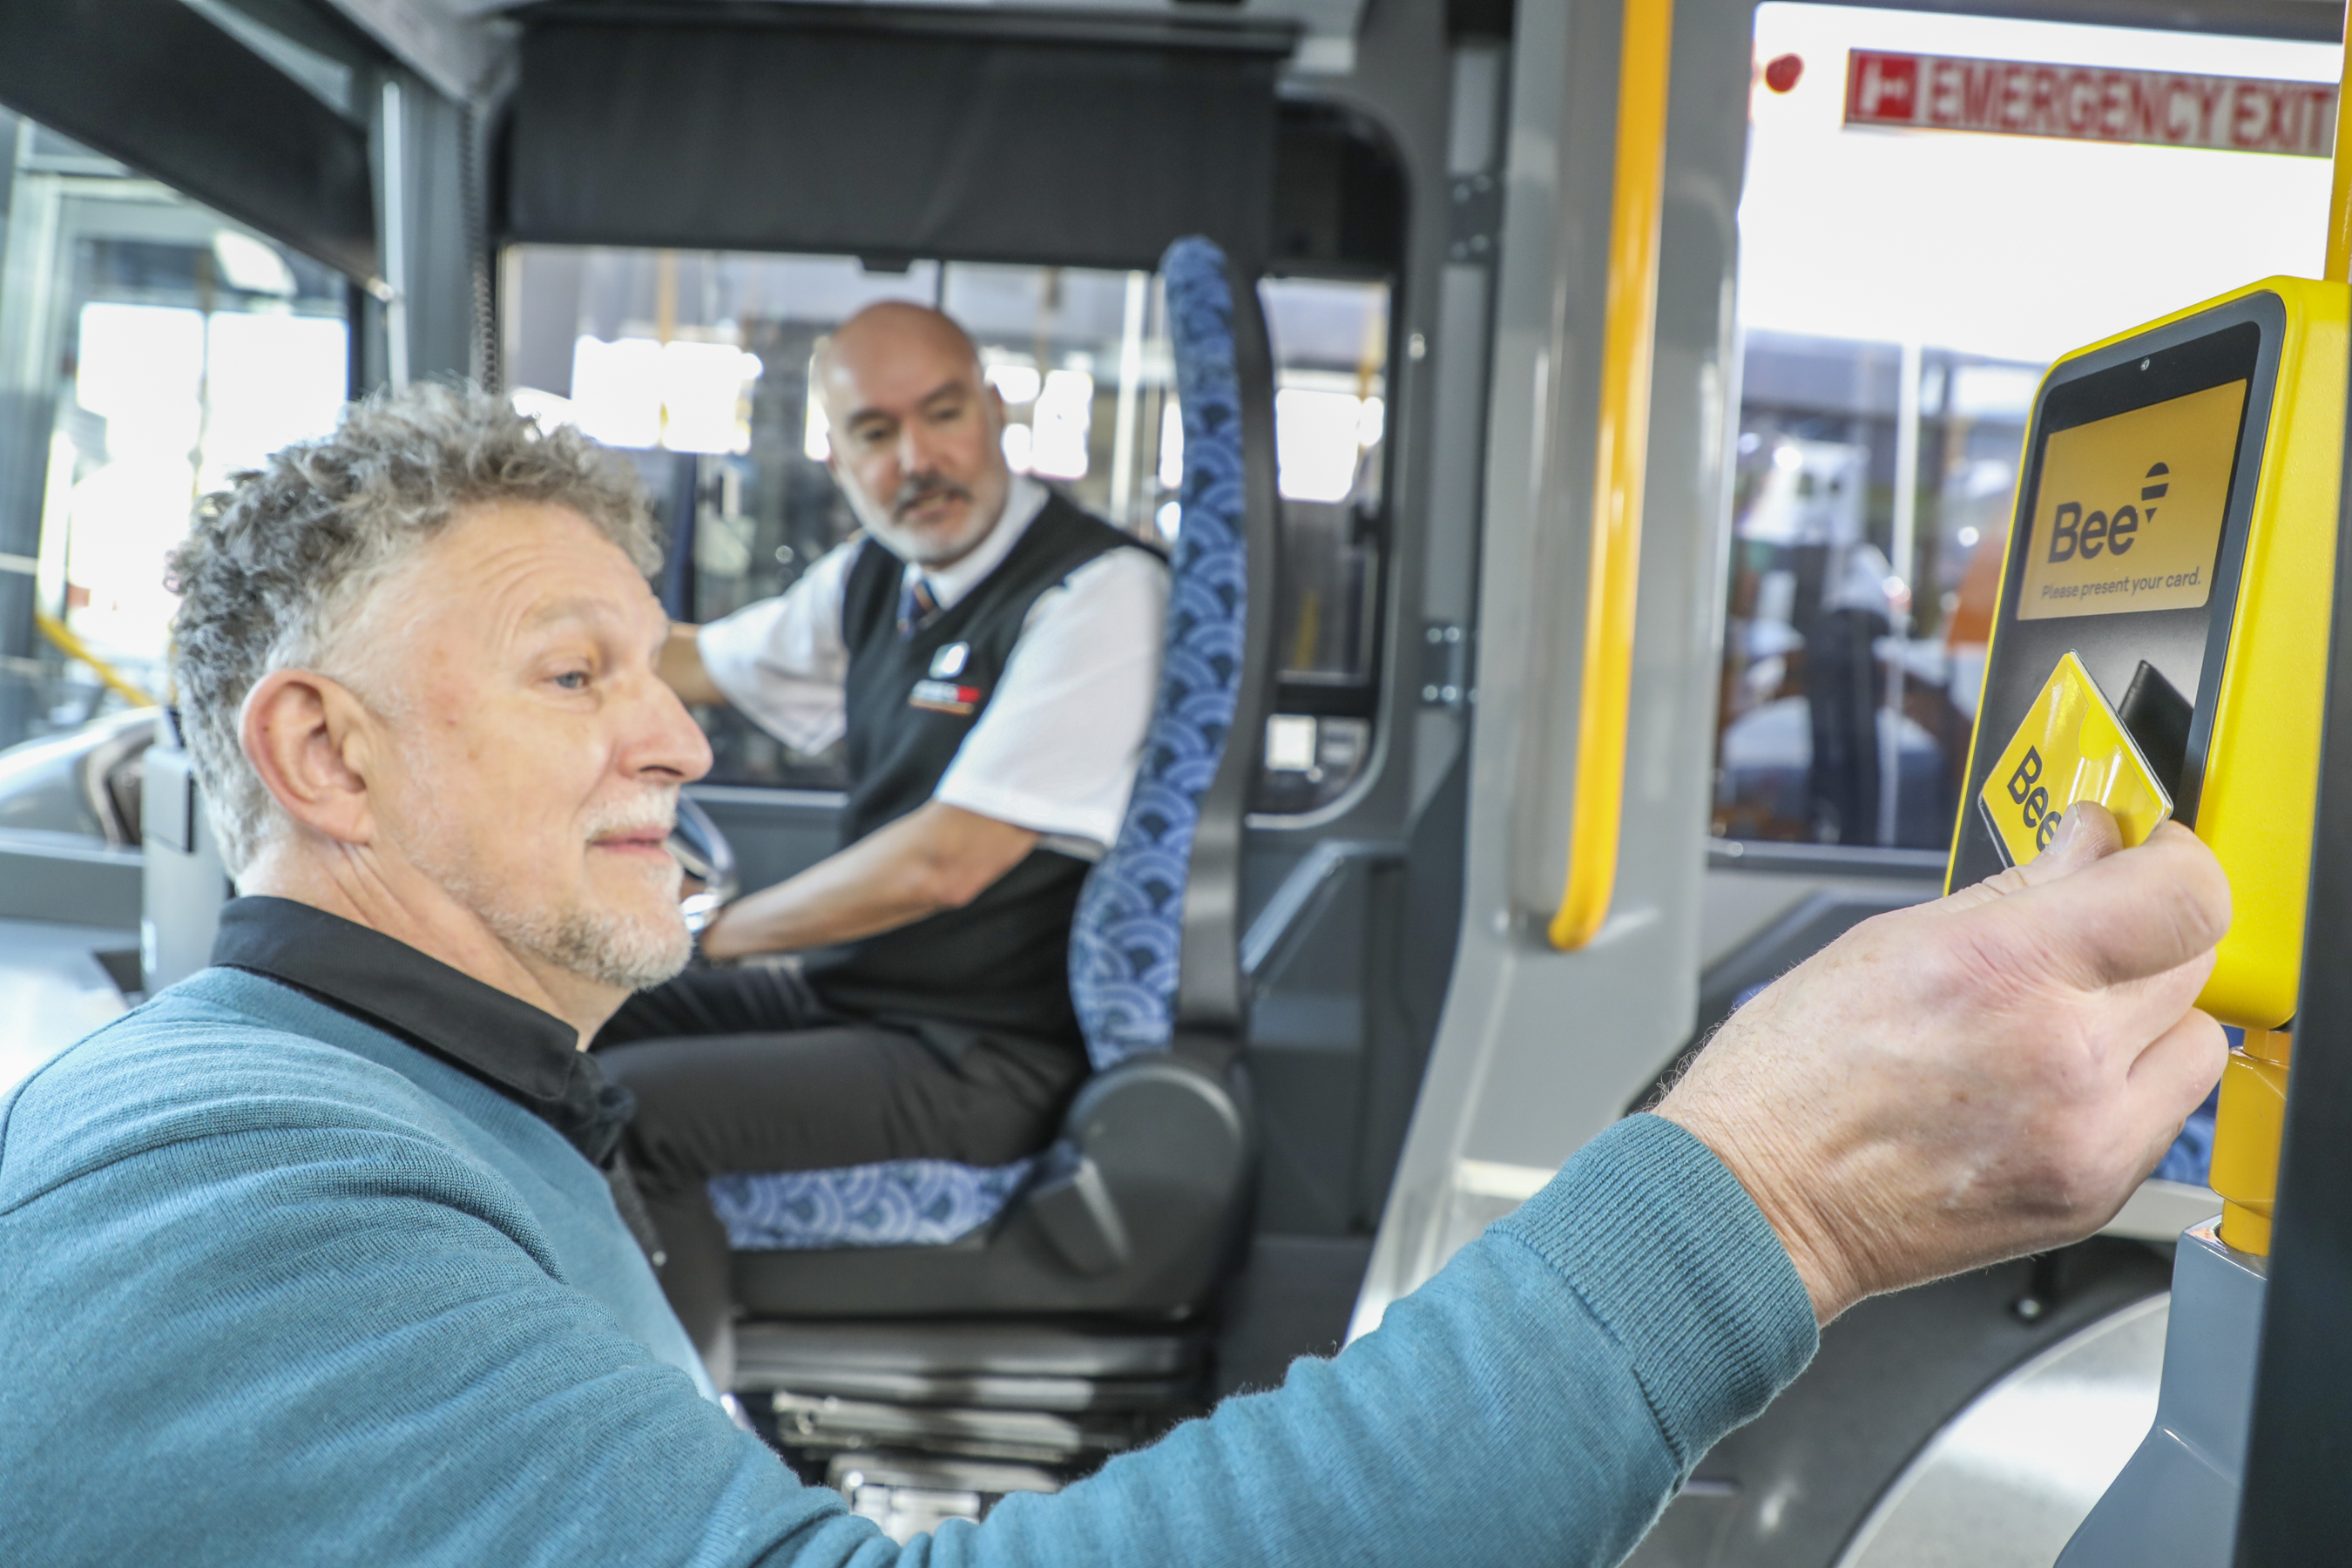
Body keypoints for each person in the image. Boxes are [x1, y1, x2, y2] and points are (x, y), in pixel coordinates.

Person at [0, 385, 2229, 1566]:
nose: (675, 733)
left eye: (655, 668)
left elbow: (954, 860)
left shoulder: (419, 1099)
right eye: (577, 672)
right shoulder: (241, 1199)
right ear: (318, 752)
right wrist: (1771, 1201)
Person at [599, 301, 1169, 1374]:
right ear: (837, 454)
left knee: (636, 1113)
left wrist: (713, 931)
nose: (918, 459)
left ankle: (688, 1448)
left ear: (996, 412)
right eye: (875, 432)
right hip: (856, 1000)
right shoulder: (880, 577)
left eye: (943, 414)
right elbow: (700, 664)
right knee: (576, 1020)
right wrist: (530, 639)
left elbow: (948, 862)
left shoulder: (1097, 592)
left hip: (986, 1055)